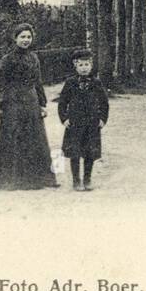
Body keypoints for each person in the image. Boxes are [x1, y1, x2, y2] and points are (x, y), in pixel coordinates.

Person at [0, 23, 58, 190]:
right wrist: (1, 103)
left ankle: (37, 179)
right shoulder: (7, 59)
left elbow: (38, 82)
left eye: (28, 37)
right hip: (13, 102)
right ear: (15, 38)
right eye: (22, 37)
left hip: (31, 100)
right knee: (13, 138)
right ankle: (12, 179)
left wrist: (42, 103)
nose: (26, 40)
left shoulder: (34, 58)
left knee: (34, 139)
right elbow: (1, 83)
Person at [57, 49, 109, 192]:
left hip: (92, 123)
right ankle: (76, 180)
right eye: (81, 65)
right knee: (75, 152)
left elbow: (104, 103)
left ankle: (87, 179)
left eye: (87, 64)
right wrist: (64, 118)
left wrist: (103, 119)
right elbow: (62, 102)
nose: (84, 68)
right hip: (75, 123)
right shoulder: (70, 82)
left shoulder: (96, 83)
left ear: (91, 66)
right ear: (76, 66)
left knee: (90, 152)